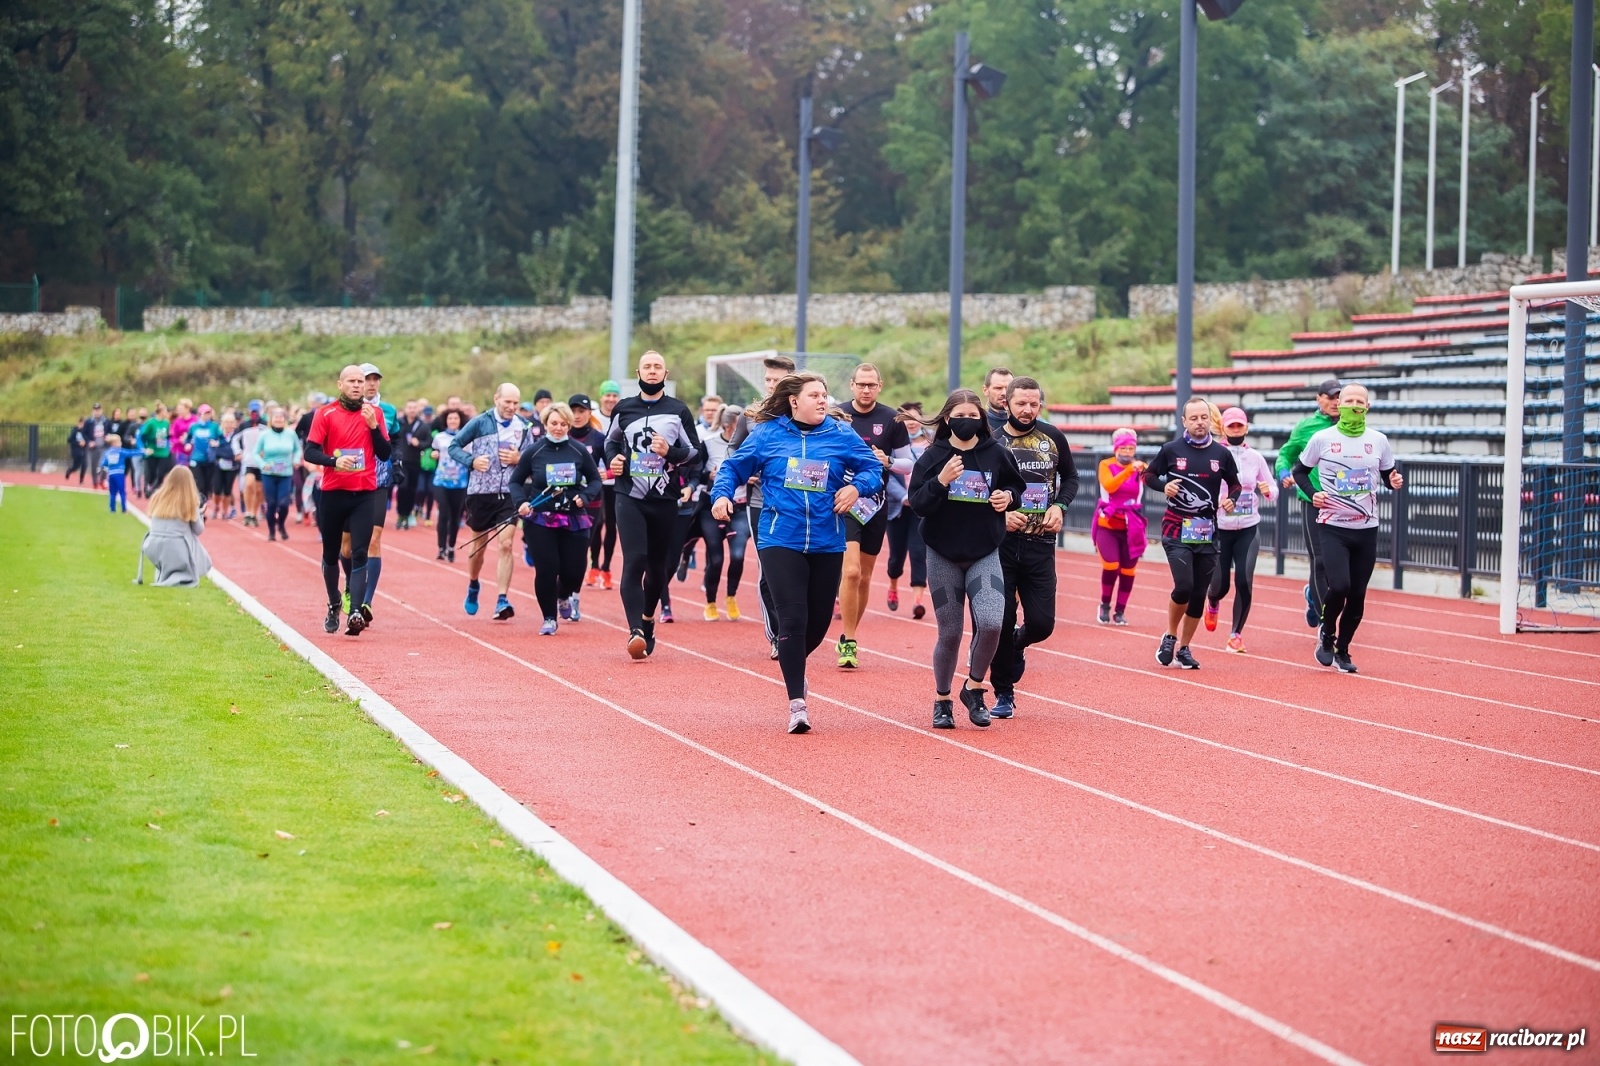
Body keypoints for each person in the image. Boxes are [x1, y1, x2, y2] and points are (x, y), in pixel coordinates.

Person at [710, 373, 882, 733]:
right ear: (793, 400)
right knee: (792, 619)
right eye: (815, 395)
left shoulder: (839, 434)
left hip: (827, 540)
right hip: (779, 539)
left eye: (824, 395)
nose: (823, 401)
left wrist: (855, 489)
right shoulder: (768, 435)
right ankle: (797, 705)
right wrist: (722, 495)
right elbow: (731, 467)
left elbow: (872, 470)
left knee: (817, 625)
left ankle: (795, 666)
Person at [908, 389, 1027, 729]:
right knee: (950, 632)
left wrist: (1008, 496)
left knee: (992, 622)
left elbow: (1016, 489)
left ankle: (974, 686)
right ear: (947, 418)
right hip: (942, 553)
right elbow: (918, 504)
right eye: (960, 415)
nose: (967, 421)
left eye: (974, 416)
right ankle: (942, 699)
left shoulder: (996, 454)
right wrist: (941, 481)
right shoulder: (933, 456)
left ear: (982, 420)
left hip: (983, 552)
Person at [985, 376, 1078, 719]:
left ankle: (1017, 644)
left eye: (1034, 403)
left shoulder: (1052, 437)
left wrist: (1060, 507)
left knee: (1042, 624)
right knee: (1000, 618)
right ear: (1006, 403)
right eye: (1020, 403)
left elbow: (1071, 477)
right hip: (1001, 545)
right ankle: (1004, 692)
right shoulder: (991, 441)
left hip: (1041, 543)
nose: (1027, 410)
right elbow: (976, 488)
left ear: (1041, 404)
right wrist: (1000, 516)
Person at [1294, 383, 1402, 673]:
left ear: (1367, 406)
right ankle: (1326, 635)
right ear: (1339, 404)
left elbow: (1386, 471)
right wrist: (1312, 493)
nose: (1354, 404)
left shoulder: (1378, 440)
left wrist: (1393, 480)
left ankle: (1343, 649)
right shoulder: (1322, 438)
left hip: (1367, 528)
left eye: (1360, 401)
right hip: (1333, 526)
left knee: (1357, 595)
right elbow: (1299, 471)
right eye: (1349, 400)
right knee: (1339, 586)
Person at [604, 351, 705, 659]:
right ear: (638, 371)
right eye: (647, 366)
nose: (651, 371)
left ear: (665, 373)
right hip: (629, 494)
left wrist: (670, 452)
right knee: (634, 560)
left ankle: (648, 619)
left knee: (657, 566)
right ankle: (635, 630)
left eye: (657, 367)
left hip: (663, 497)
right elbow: (609, 442)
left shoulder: (678, 410)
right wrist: (613, 460)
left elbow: (696, 452)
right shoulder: (624, 408)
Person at [1143, 398, 1240, 670]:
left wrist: (1231, 499)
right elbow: (1148, 476)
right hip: (1176, 528)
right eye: (1194, 418)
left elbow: (1235, 484)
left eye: (1204, 418)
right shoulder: (1171, 450)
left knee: (1199, 594)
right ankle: (1170, 635)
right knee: (1183, 586)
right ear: (1184, 421)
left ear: (1210, 421)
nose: (1199, 422)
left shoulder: (1221, 454)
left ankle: (1184, 647)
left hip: (1207, 532)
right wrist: (1164, 487)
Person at [835, 363, 914, 669]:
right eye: (861, 384)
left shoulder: (892, 419)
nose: (866, 390)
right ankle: (849, 639)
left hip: (875, 504)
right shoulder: (838, 415)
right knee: (851, 572)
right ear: (852, 385)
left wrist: (889, 460)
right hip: (843, 503)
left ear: (880, 386)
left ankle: (850, 635)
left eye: (872, 385)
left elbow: (909, 464)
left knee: (865, 576)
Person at [303, 364, 391, 635]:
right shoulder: (325, 413)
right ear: (340, 384)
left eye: (360, 381)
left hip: (364, 493)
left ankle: (355, 611)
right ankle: (333, 603)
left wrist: (374, 427)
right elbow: (309, 452)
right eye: (351, 381)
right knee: (331, 554)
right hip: (332, 493)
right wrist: (335, 461)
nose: (357, 385)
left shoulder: (374, 413)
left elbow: (385, 453)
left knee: (360, 551)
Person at [509, 402, 604, 634]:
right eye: (554, 423)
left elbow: (595, 480)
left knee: (574, 570)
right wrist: (521, 502)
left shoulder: (579, 450)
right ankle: (549, 618)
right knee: (547, 569)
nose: (559, 428)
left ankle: (564, 595)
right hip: (541, 519)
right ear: (545, 424)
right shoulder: (535, 451)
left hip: (574, 517)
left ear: (569, 424)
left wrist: (584, 496)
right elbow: (515, 481)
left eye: (563, 424)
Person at [450, 383, 535, 619]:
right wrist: (472, 461)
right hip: (480, 493)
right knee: (479, 547)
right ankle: (474, 584)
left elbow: (532, 460)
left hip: (510, 493)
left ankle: (502, 599)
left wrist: (520, 458)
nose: (511, 407)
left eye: (515, 403)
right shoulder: (480, 422)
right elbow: (454, 446)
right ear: (496, 398)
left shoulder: (525, 427)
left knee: (506, 544)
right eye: (507, 401)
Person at [730, 355, 796, 658]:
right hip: (760, 503)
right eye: (767, 379)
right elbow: (734, 451)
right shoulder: (752, 414)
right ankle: (778, 635)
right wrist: (749, 472)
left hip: (799, 503)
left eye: (776, 380)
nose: (770, 385)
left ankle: (795, 627)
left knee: (800, 570)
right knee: (769, 570)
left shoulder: (805, 415)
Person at [1206, 408, 1277, 653]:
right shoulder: (1214, 455)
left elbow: (1273, 491)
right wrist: (1215, 501)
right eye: (1231, 425)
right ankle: (1213, 601)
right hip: (1220, 529)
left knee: (1245, 581)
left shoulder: (1255, 457)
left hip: (1248, 527)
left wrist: (1268, 490)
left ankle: (1236, 634)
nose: (1236, 429)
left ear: (1246, 428)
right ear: (1223, 428)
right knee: (1220, 585)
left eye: (1240, 425)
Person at [1276, 378, 1342, 629]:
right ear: (1319, 399)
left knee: (1340, 566)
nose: (1335, 402)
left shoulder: (1351, 428)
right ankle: (1327, 624)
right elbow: (1286, 455)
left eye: (1339, 397)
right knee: (1320, 560)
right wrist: (1284, 473)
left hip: (1344, 506)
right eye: (1330, 396)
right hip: (1313, 501)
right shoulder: (1307, 427)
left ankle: (1313, 598)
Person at [338, 364, 400, 618]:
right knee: (347, 546)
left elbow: (395, 441)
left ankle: (366, 601)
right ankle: (351, 585)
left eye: (375, 380)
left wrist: (398, 461)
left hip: (378, 481)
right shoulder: (340, 409)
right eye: (366, 379)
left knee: (374, 540)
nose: (371, 384)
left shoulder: (388, 411)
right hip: (348, 481)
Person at [697, 404, 750, 620]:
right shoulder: (709, 444)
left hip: (739, 507)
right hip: (712, 507)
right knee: (716, 559)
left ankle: (731, 596)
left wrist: (753, 476)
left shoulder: (750, 446)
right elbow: (694, 473)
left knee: (737, 556)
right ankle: (710, 602)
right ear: (729, 427)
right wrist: (709, 475)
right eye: (741, 427)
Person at [1092, 429, 1148, 625]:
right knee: (1111, 565)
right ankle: (1105, 604)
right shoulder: (1106, 465)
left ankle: (1120, 611)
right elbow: (1110, 486)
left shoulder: (1139, 469)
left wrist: (1147, 471)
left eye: (1131, 448)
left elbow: (1154, 479)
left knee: (1128, 571)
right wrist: (1128, 470)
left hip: (1131, 525)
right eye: (1123, 447)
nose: (1127, 451)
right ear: (1116, 448)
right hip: (1107, 524)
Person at [884, 401, 931, 619]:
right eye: (905, 420)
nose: (910, 424)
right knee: (896, 556)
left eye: (914, 419)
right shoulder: (893, 444)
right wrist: (903, 497)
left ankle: (918, 601)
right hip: (898, 507)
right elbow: (887, 477)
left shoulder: (932, 443)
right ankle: (893, 585)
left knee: (919, 553)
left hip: (922, 509)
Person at [136, 465, 212, 587]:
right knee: (190, 536)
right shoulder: (189, 500)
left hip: (152, 546)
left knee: (179, 531)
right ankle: (184, 575)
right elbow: (198, 530)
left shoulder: (157, 497)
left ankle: (166, 575)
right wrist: (200, 513)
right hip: (176, 547)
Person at [586, 380, 624, 588]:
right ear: (601, 397)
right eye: (607, 395)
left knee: (611, 525)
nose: (611, 399)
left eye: (614, 395)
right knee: (596, 523)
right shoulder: (593, 419)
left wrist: (611, 471)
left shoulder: (622, 418)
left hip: (615, 479)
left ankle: (607, 568)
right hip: (595, 478)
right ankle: (593, 566)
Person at [255, 405, 303, 541]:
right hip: (269, 473)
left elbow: (298, 450)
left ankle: (281, 524)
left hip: (286, 473)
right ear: (271, 419)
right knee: (271, 504)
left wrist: (295, 459)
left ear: (285, 419)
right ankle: (271, 531)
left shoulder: (290, 434)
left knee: (283, 504)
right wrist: (263, 464)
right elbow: (256, 452)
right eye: (275, 417)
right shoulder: (265, 434)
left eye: (281, 417)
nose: (278, 419)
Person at [429, 409, 470, 560]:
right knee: (444, 513)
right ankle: (441, 547)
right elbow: (434, 450)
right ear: (446, 420)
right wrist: (434, 454)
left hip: (460, 482)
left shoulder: (466, 438)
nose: (453, 421)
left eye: (456, 418)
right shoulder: (440, 437)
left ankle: (451, 547)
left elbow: (471, 456)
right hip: (441, 481)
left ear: (460, 421)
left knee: (455, 517)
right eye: (450, 418)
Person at [184, 404, 224, 518]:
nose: (207, 415)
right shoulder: (194, 427)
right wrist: (187, 444)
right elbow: (188, 438)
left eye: (209, 413)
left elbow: (222, 440)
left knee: (207, 487)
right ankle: (197, 510)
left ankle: (202, 509)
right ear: (200, 414)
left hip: (210, 460)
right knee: (199, 485)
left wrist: (217, 443)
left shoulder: (214, 427)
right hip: (196, 459)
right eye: (205, 413)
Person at [236, 401, 266, 526]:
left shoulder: (265, 425)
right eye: (252, 411)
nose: (255, 413)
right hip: (248, 461)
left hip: (262, 462)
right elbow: (234, 439)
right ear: (249, 411)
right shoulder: (244, 425)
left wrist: (266, 452)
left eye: (256, 411)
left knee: (259, 490)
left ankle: (253, 513)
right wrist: (238, 452)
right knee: (249, 485)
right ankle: (248, 512)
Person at [137, 403, 173, 492]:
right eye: (165, 411)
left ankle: (156, 489)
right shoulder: (151, 423)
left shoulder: (166, 423)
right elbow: (143, 436)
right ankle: (149, 486)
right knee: (151, 473)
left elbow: (168, 436)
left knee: (161, 473)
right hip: (152, 451)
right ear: (160, 412)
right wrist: (152, 440)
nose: (166, 413)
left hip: (163, 452)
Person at [214, 411, 240, 519]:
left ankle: (225, 511)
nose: (229, 424)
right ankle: (216, 506)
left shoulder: (237, 435)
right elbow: (214, 450)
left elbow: (236, 451)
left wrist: (225, 451)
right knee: (217, 489)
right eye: (226, 422)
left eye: (231, 422)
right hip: (218, 465)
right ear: (222, 423)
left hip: (232, 466)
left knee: (227, 490)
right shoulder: (218, 434)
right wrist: (227, 452)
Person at [101, 432, 129, 512]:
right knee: (122, 491)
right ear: (114, 443)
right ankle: (124, 509)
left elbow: (104, 463)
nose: (121, 443)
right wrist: (142, 451)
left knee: (112, 492)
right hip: (119, 473)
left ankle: (112, 509)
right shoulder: (121, 452)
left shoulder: (108, 452)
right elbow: (131, 453)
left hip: (111, 474)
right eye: (119, 442)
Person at [982, 367, 1013, 433]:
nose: (1004, 393)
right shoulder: (979, 424)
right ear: (985, 390)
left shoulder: (1026, 423)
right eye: (998, 388)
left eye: (1008, 388)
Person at [86, 403, 110, 488]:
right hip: (93, 447)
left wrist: (108, 437)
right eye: (95, 410)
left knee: (102, 464)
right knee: (93, 466)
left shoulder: (106, 421)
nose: (97, 412)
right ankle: (95, 482)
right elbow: (84, 433)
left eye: (98, 410)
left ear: (101, 410)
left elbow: (110, 431)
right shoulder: (89, 421)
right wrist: (89, 441)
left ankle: (102, 480)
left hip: (103, 446)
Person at [66, 419, 88, 483]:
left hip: (83, 450)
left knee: (84, 464)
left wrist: (85, 443)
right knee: (76, 466)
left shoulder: (85, 432)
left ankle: (81, 479)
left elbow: (88, 439)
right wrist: (78, 443)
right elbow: (69, 440)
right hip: (76, 450)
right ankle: (69, 471)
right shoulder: (74, 431)